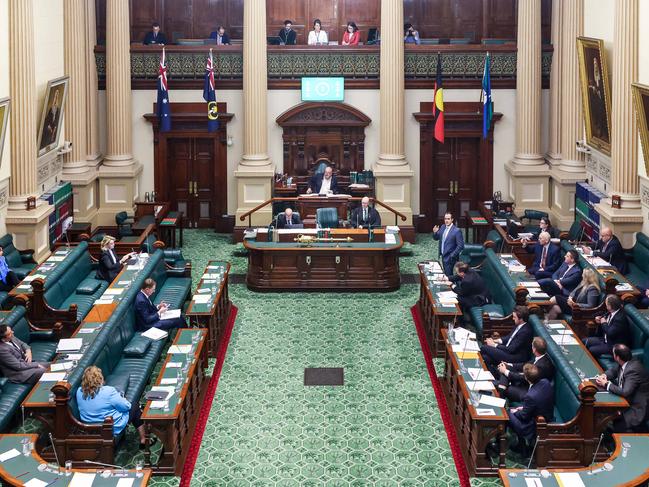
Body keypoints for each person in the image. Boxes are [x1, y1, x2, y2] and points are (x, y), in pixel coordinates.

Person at [76, 366, 153, 449]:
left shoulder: (79, 391)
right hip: (110, 428)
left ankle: (143, 438)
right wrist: (121, 398)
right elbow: (126, 406)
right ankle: (144, 439)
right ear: (100, 378)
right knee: (134, 406)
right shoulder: (108, 391)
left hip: (90, 428)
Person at [595, 344, 649, 432]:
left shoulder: (633, 369)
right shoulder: (624, 362)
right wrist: (604, 376)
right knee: (604, 416)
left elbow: (625, 392)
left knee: (617, 425)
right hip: (626, 401)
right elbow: (613, 371)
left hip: (637, 407)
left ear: (617, 357)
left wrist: (606, 384)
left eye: (613, 354)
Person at [507, 364, 555, 456]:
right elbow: (539, 401)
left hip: (536, 424)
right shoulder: (545, 382)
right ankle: (521, 445)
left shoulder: (531, 396)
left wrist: (516, 411)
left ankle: (522, 447)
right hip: (547, 415)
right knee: (514, 409)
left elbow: (524, 416)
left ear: (526, 378)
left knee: (508, 413)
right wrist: (524, 408)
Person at [496, 337, 555, 402]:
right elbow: (525, 365)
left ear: (534, 349)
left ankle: (501, 394)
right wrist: (509, 364)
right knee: (505, 368)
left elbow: (524, 377)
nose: (531, 347)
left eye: (532, 345)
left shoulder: (542, 366)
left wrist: (505, 371)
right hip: (524, 382)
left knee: (506, 388)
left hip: (529, 391)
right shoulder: (541, 357)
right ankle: (501, 389)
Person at [432, 212, 464, 277]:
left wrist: (452, 255)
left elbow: (460, 246)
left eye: (448, 219)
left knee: (448, 275)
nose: (446, 220)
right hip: (443, 255)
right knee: (446, 274)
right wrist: (435, 232)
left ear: (452, 219)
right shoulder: (443, 227)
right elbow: (436, 238)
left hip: (450, 257)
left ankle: (452, 286)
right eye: (445, 219)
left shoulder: (457, 231)